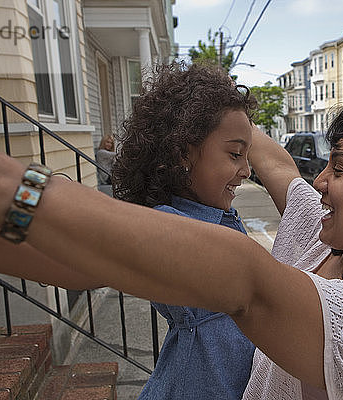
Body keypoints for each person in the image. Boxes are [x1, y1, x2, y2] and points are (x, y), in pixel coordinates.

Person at [0, 73, 343, 399]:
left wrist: (12, 186)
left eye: (339, 169)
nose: (319, 181)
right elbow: (276, 165)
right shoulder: (323, 241)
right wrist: (218, 112)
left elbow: (246, 280)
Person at [113, 63, 257, 399]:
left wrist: (223, 102)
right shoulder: (167, 224)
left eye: (247, 155)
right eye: (236, 154)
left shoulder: (219, 216)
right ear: (182, 153)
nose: (247, 170)